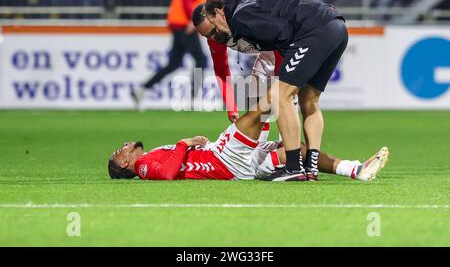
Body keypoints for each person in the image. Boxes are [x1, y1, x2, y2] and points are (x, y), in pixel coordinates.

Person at [204, 0, 348, 181]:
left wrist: (286, 73)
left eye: (214, 24)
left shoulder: (240, 16)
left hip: (314, 31)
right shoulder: (252, 7)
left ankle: (294, 167)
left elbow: (282, 34)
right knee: (309, 100)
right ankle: (311, 167)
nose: (218, 30)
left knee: (280, 96)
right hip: (337, 27)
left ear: (220, 11)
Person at [107, 109, 389, 181]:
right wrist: (185, 143)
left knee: (299, 150)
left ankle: (354, 170)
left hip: (226, 158)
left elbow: (175, 165)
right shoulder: (143, 165)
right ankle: (287, 81)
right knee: (260, 109)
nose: (124, 145)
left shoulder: (150, 155)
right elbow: (168, 174)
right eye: (119, 150)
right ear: (123, 163)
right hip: (224, 161)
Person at [131, 0, 224, 110]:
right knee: (201, 60)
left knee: (174, 63)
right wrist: (194, 19)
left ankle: (142, 89)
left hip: (178, 21)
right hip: (183, 23)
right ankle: (193, 101)